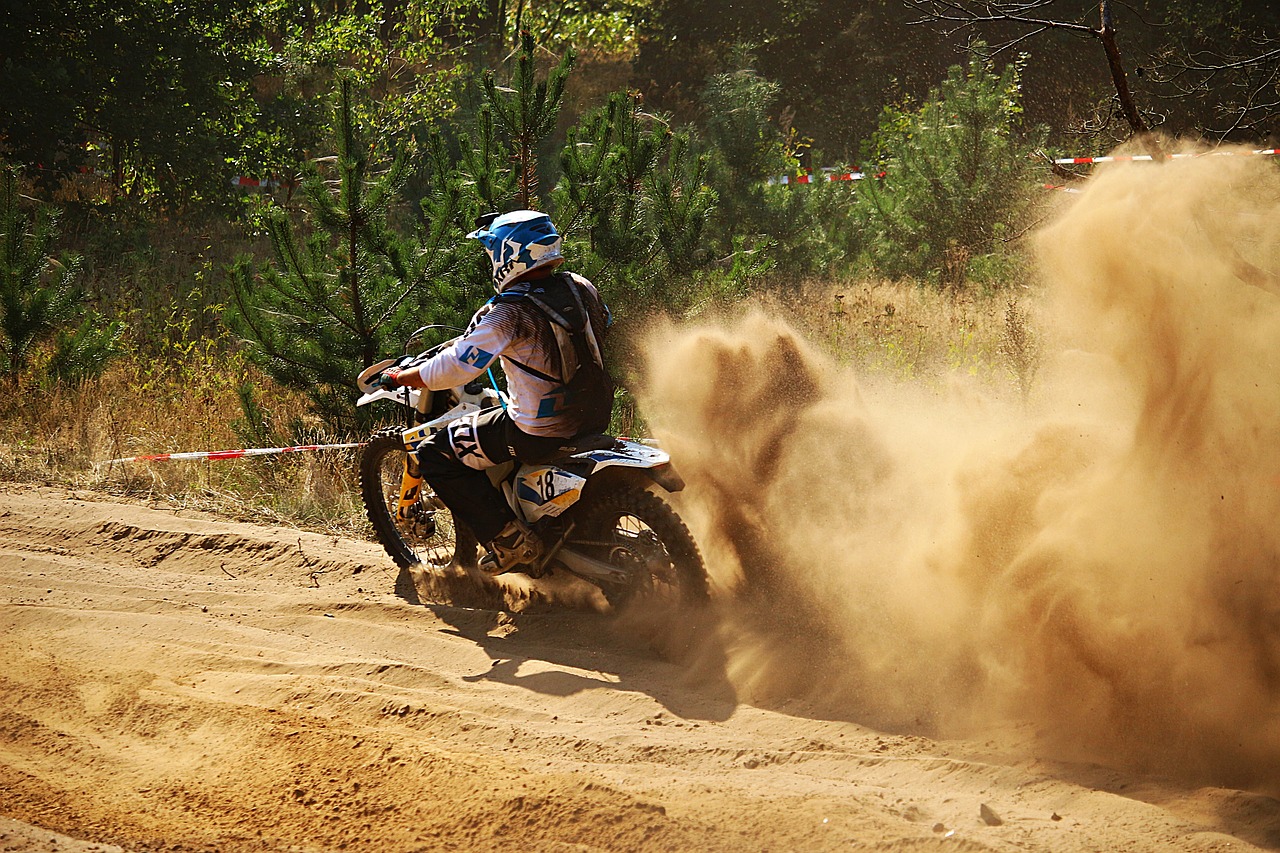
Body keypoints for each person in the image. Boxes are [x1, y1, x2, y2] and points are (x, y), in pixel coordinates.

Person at [371, 210, 614, 574]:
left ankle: (509, 542)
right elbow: (605, 324)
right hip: (593, 416)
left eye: (492, 252)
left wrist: (407, 377)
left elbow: (457, 367)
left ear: (509, 254)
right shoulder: (579, 286)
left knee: (434, 453)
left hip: (536, 431)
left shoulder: (508, 311)